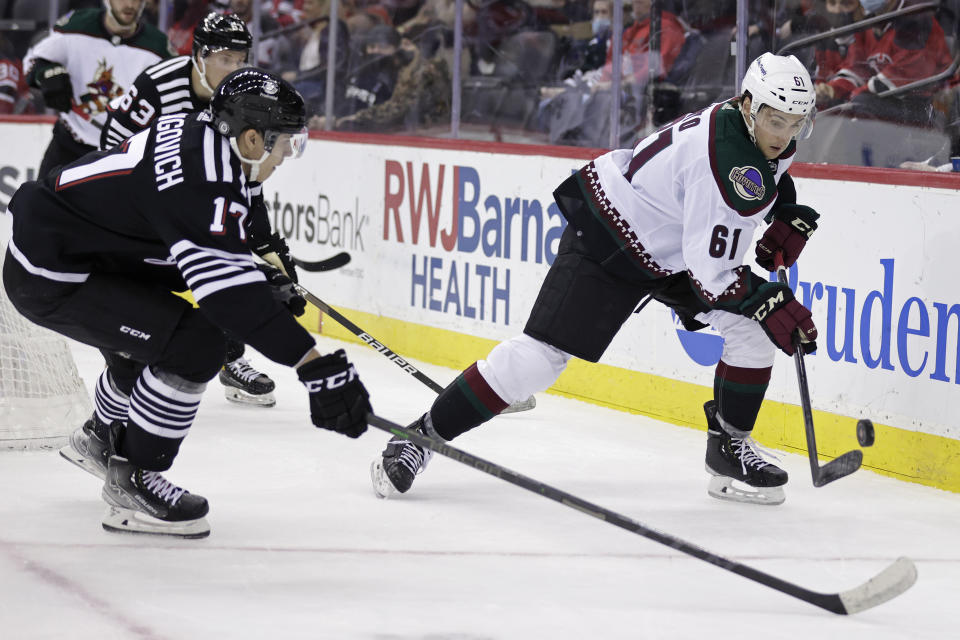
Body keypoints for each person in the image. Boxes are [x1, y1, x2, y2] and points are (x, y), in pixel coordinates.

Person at [371, 52, 820, 507]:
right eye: (775, 121)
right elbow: (713, 278)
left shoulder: (746, 129)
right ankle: (418, 437)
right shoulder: (726, 163)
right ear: (747, 105)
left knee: (749, 334)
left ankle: (729, 450)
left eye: (795, 124)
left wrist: (784, 211)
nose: (783, 136)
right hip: (613, 235)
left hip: (671, 247)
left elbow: (773, 175)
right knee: (538, 361)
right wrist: (769, 300)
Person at [2, 68, 372, 538]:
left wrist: (256, 273)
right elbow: (227, 300)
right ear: (254, 140)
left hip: (81, 246)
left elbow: (200, 237)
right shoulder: (203, 179)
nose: (286, 157)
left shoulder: (208, 135)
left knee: (154, 336)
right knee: (196, 345)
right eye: (287, 145)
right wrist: (316, 367)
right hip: (55, 272)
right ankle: (133, 480)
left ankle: (99, 437)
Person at [97, 13, 292, 409]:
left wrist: (265, 242)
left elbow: (246, 175)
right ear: (198, 56)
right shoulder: (157, 85)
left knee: (232, 262)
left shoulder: (245, 98)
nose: (235, 69)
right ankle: (128, 364)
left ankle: (229, 356)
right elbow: (111, 144)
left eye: (241, 60)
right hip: (137, 200)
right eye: (225, 59)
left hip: (193, 197)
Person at [22, 0, 176, 177]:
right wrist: (46, 74)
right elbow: (34, 60)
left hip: (122, 155)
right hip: (69, 146)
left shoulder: (159, 47)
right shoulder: (76, 25)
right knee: (40, 202)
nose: (130, 5)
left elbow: (174, 94)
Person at [814, 0, 952, 125]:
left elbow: (904, 74)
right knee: (836, 105)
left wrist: (853, 96)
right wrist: (833, 89)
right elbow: (857, 66)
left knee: (859, 104)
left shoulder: (916, 17)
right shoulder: (871, 21)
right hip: (886, 102)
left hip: (929, 106)